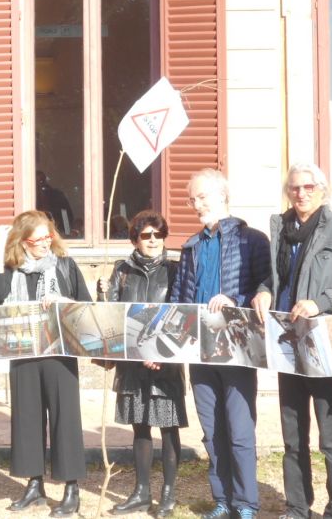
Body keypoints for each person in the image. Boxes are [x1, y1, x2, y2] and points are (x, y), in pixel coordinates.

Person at [252, 163, 332, 519]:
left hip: (324, 342)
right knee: (292, 434)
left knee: (331, 435)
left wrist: (321, 303)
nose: (300, 193)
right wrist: (263, 291)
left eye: (308, 187)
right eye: (294, 187)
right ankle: (297, 507)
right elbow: (275, 278)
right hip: (287, 342)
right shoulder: (281, 228)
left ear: (322, 190)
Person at [170, 170, 271, 519]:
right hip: (199, 347)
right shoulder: (191, 246)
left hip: (237, 347)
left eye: (202, 197)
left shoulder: (252, 240)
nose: (196, 205)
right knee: (212, 430)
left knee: (239, 429)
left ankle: (245, 503)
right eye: (192, 199)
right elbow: (179, 297)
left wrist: (235, 299)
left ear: (223, 195)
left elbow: (265, 286)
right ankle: (223, 500)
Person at [0, 210, 91, 518]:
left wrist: (63, 303)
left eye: (49, 236)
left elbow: (86, 306)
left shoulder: (64, 265)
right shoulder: (11, 270)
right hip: (24, 353)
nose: (46, 243)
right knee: (27, 418)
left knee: (65, 418)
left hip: (59, 354)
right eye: (38, 239)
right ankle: (34, 485)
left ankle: (71, 489)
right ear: (23, 241)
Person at [98, 210, 187, 518]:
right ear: (134, 239)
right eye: (146, 235)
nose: (153, 240)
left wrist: (162, 352)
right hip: (133, 363)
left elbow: (183, 314)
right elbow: (111, 316)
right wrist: (103, 293)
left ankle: (168, 494)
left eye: (158, 235)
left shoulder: (176, 270)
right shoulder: (121, 270)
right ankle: (141, 492)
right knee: (140, 427)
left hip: (165, 362)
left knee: (169, 427)